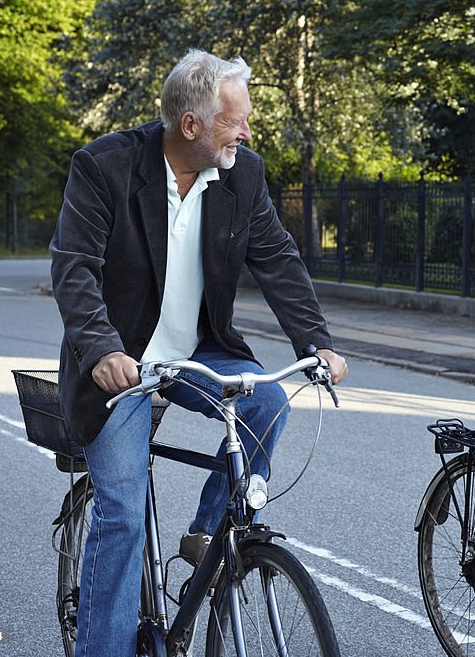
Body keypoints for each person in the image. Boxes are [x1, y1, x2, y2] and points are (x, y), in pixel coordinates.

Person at [49, 49, 348, 657]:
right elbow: (74, 268)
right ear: (191, 126)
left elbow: (280, 259)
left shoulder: (243, 174)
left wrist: (316, 343)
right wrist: (102, 349)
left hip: (198, 352)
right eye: (236, 120)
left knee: (267, 400)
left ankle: (209, 536)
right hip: (120, 371)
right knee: (124, 517)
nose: (247, 130)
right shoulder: (105, 166)